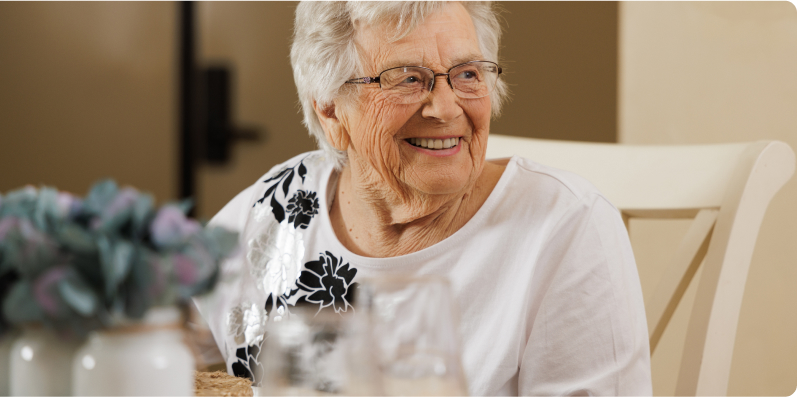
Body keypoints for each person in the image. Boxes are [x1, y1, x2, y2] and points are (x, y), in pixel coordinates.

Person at [202, 2, 652, 395]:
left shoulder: (564, 226)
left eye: (468, 75)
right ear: (330, 107)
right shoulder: (277, 206)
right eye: (407, 79)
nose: (446, 108)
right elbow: (154, 342)